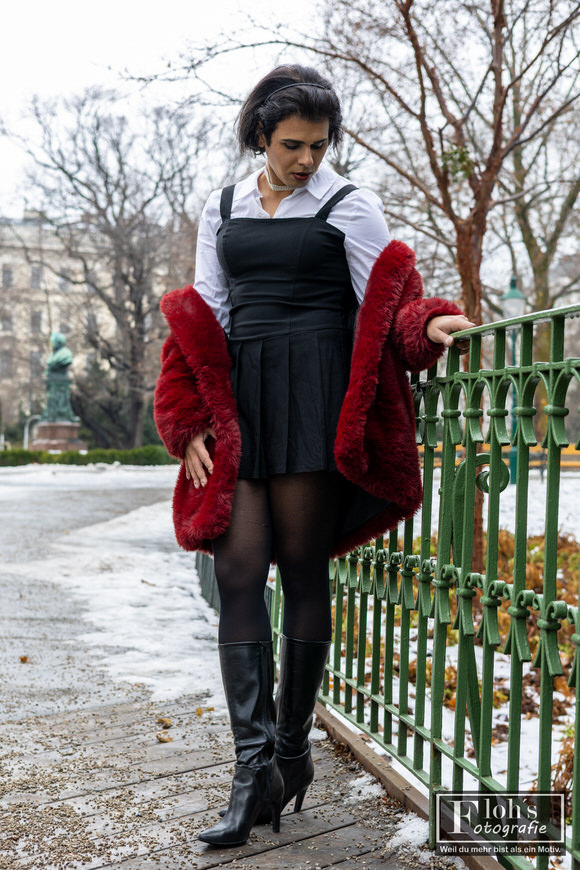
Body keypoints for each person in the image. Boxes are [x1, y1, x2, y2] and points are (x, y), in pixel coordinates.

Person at [154, 64, 474, 848]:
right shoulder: (221, 205)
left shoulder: (349, 204)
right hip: (244, 404)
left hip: (316, 396)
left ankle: (290, 753)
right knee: (236, 570)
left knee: (301, 572)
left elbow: (389, 298)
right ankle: (252, 768)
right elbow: (207, 314)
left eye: (319, 145)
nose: (306, 159)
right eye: (293, 144)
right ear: (260, 135)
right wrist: (190, 413)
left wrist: (425, 323)